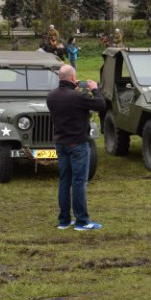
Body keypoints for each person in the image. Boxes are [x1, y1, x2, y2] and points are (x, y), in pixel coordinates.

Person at [46, 64, 106, 230]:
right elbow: (101, 105)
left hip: (61, 142)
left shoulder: (51, 96)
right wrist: (94, 89)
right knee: (79, 182)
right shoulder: (77, 97)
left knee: (64, 181)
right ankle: (82, 221)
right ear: (73, 78)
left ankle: (64, 220)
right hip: (78, 143)